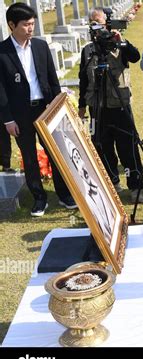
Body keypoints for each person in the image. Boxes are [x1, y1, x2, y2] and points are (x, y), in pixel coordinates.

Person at [0, 3, 77, 216]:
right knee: (29, 156)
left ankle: (64, 194)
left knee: (55, 151)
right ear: (12, 25)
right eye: (26, 25)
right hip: (19, 113)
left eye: (32, 24)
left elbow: (52, 79)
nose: (30, 28)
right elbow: (1, 91)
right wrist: (8, 120)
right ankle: (39, 198)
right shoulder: (2, 52)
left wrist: (57, 107)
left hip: (45, 108)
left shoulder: (41, 47)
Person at [78, 7, 143, 202]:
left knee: (128, 146)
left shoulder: (119, 44)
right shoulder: (88, 50)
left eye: (98, 22)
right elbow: (84, 79)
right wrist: (82, 106)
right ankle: (112, 183)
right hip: (97, 107)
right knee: (101, 145)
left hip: (120, 104)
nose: (95, 27)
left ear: (108, 22)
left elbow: (135, 57)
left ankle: (135, 186)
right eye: (92, 23)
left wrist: (121, 42)